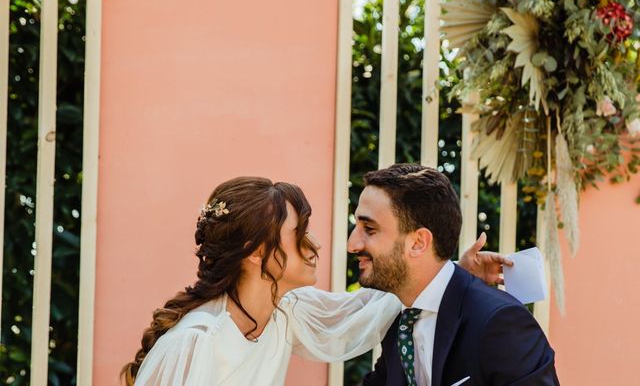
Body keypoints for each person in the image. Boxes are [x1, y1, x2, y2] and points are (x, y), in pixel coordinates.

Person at [121, 176, 510, 385]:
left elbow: (371, 309)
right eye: (299, 234)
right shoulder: (196, 343)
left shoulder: (284, 314)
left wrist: (450, 273)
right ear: (256, 252)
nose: (316, 245)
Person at [348, 163, 559, 386]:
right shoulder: (400, 324)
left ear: (419, 243)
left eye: (369, 229)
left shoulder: (500, 322)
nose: (352, 244)